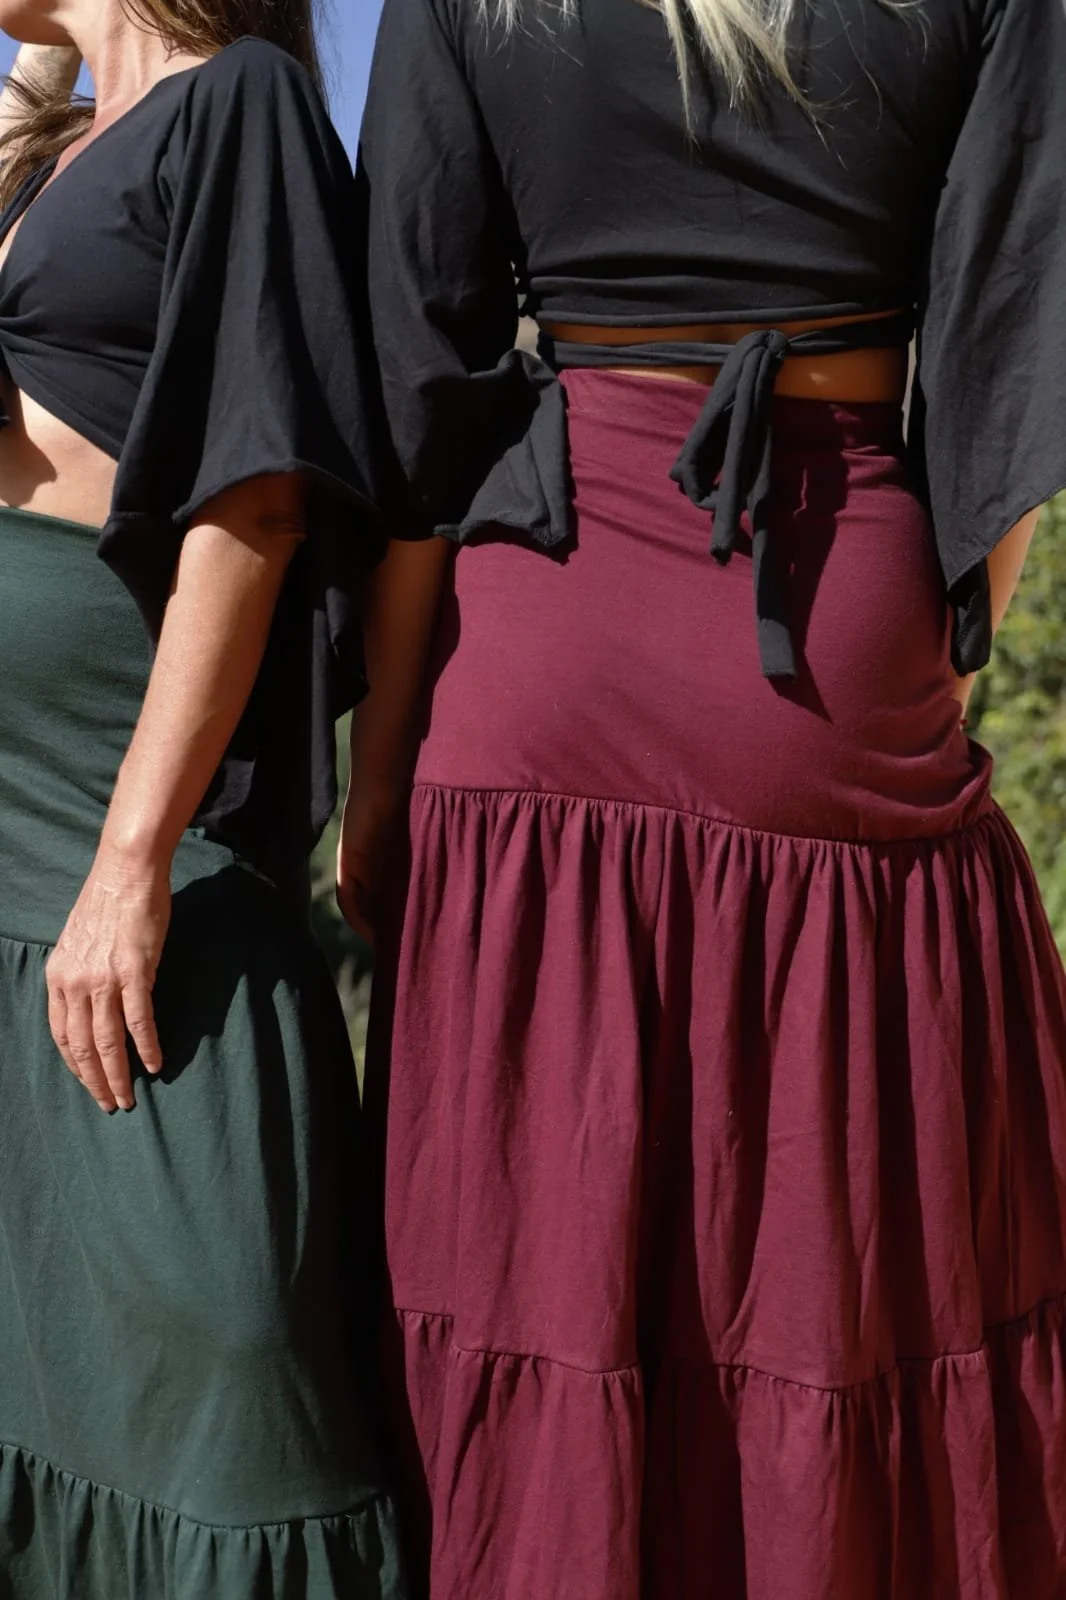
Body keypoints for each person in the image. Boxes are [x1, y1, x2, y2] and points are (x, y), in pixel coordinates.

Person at [344, 0, 1066, 1592]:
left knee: (546, 1251)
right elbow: (1017, 344)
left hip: (538, 640)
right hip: (836, 615)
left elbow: (420, 378)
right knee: (837, 1252)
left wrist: (381, 764)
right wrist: (936, 648)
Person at [0, 4, 406, 1596]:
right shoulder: (42, 154)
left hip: (118, 831)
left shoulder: (237, 108)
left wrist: (131, 860)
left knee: (228, 1366)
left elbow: (259, 494)